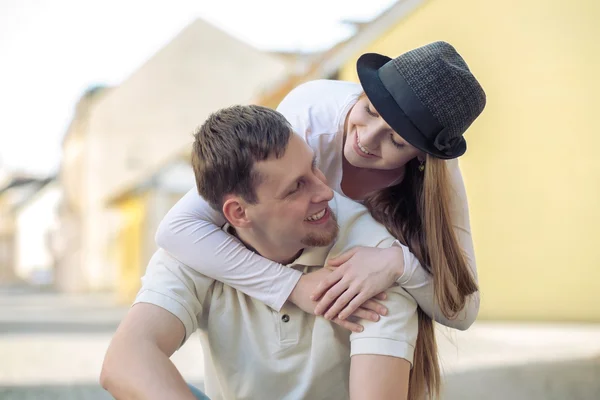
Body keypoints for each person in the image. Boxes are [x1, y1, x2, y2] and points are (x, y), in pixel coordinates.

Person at [155, 41, 485, 340]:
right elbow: (178, 229)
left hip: (375, 325)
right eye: (370, 110)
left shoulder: (437, 181)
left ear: (422, 156)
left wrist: (398, 263)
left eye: (397, 141)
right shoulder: (308, 122)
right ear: (361, 94)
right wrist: (293, 287)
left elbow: (463, 310)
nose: (366, 139)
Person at [101, 105, 422, 399]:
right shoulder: (195, 251)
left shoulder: (368, 263)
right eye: (296, 187)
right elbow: (124, 361)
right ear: (239, 214)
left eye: (314, 167)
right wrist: (291, 287)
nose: (325, 191)